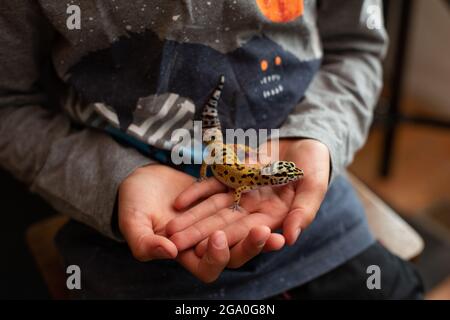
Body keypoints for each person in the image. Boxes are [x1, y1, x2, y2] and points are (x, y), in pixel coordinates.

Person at [0, 0, 423, 299]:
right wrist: (116, 179)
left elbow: (356, 48)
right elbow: (9, 106)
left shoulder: (264, 179)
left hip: (317, 213)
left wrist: (316, 138)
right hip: (136, 237)